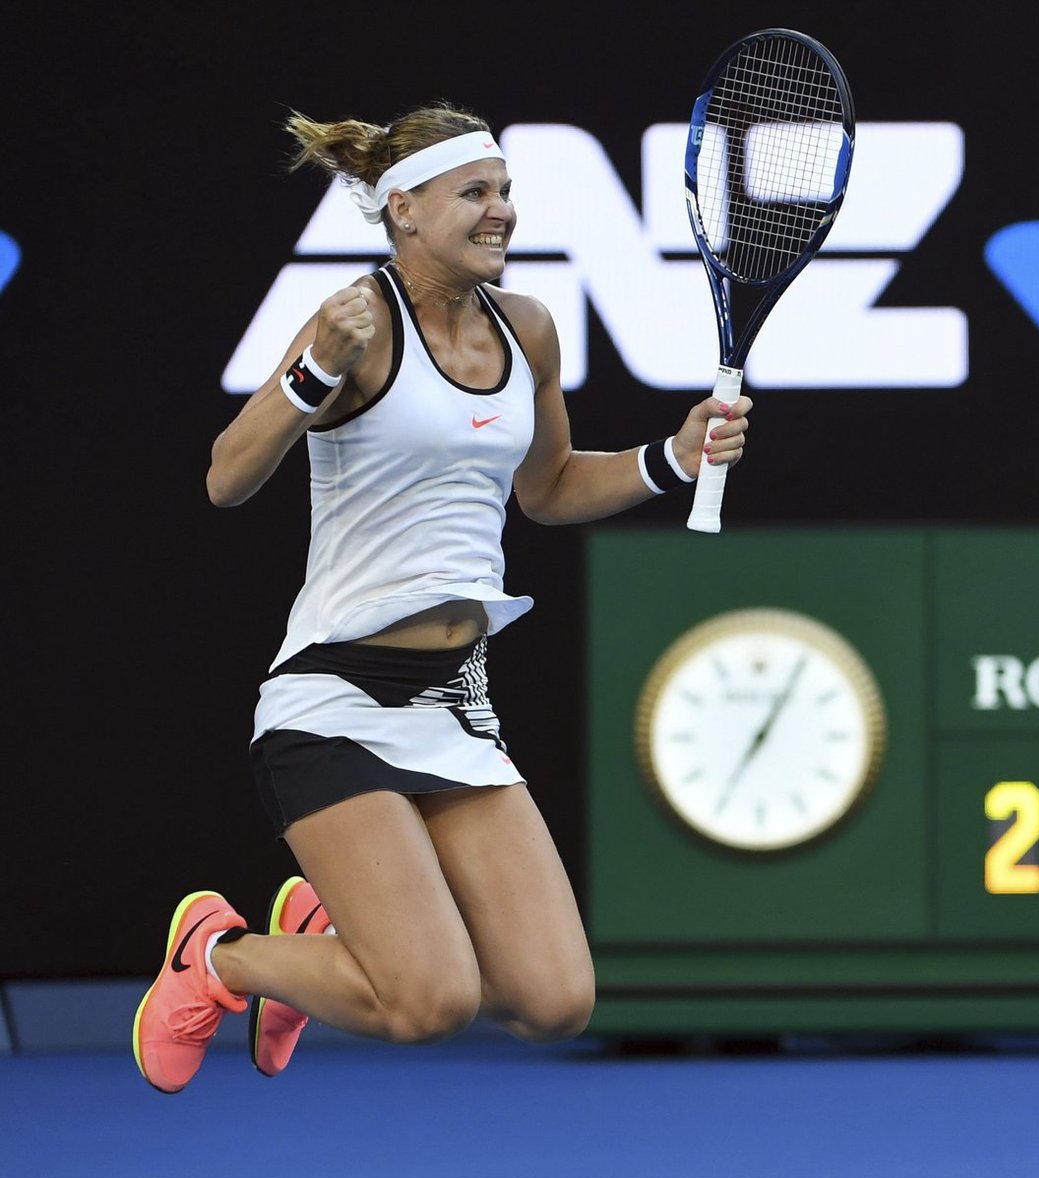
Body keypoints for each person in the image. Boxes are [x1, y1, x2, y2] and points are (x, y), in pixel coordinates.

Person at [132, 101, 751, 1094]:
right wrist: (307, 377)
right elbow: (225, 477)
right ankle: (221, 955)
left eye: (506, 190)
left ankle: (313, 940)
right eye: (476, 192)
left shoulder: (530, 329)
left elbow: (547, 489)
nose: (502, 209)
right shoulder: (356, 326)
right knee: (429, 1004)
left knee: (554, 1002)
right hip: (333, 703)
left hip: (456, 705)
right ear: (405, 210)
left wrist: (670, 459)